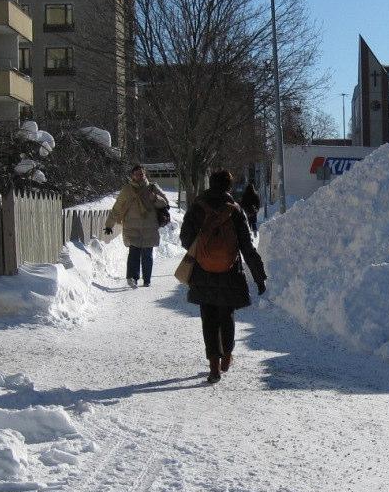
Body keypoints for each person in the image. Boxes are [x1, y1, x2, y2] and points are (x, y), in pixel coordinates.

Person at [180, 170, 268, 383]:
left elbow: (185, 238)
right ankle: (227, 356)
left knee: (208, 319)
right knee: (226, 316)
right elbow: (247, 247)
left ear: (210, 184)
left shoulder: (197, 207)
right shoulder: (236, 210)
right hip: (229, 272)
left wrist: (201, 247)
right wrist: (259, 277)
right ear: (229, 187)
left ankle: (213, 367)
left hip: (202, 271)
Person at [104, 164, 170, 288]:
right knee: (133, 252)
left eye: (142, 173)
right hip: (131, 226)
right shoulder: (127, 190)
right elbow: (117, 208)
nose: (140, 176)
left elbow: (165, 203)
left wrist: (155, 198)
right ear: (132, 176)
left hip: (149, 226)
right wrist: (109, 225)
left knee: (147, 254)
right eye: (138, 174)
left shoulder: (152, 187)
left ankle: (147, 280)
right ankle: (132, 278)